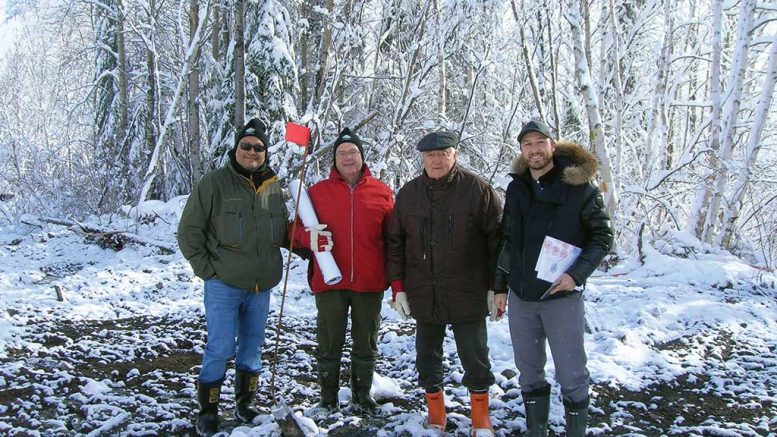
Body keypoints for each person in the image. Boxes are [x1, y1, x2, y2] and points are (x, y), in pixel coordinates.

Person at [491, 120, 613, 437]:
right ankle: (537, 431)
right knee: (529, 371)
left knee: (572, 373)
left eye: (540, 142)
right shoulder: (517, 187)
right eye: (527, 144)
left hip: (561, 295)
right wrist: (500, 287)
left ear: (552, 146)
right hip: (522, 295)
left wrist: (576, 274)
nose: (534, 149)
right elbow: (507, 240)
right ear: (521, 150)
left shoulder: (578, 188)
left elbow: (602, 237)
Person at [386, 131, 503, 435]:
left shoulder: (477, 190)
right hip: (424, 291)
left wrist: (496, 285)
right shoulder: (409, 194)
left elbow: (498, 242)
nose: (437, 160)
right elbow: (395, 242)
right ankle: (436, 413)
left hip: (469, 289)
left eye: (443, 154)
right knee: (427, 356)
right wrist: (397, 287)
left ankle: (480, 418)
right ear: (422, 158)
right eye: (430, 155)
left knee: (475, 356)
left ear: (455, 155)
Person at [177, 119, 289, 436]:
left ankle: (245, 405)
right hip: (223, 284)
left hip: (261, 287)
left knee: (252, 348)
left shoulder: (273, 187)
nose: (251, 152)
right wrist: (207, 271)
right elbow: (188, 232)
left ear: (265, 152)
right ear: (236, 148)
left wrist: (311, 242)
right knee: (220, 347)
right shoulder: (214, 183)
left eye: (258, 148)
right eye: (246, 146)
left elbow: (281, 231)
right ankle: (208, 410)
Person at [290, 127, 394, 415]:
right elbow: (292, 231)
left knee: (366, 342)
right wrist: (305, 238)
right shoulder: (316, 193)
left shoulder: (382, 193)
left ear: (362, 157)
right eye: (341, 153)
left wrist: (395, 280)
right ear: (333, 160)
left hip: (370, 282)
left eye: (353, 152)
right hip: (329, 281)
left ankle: (362, 396)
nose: (348, 157)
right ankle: (328, 398)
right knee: (329, 341)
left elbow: (394, 240)